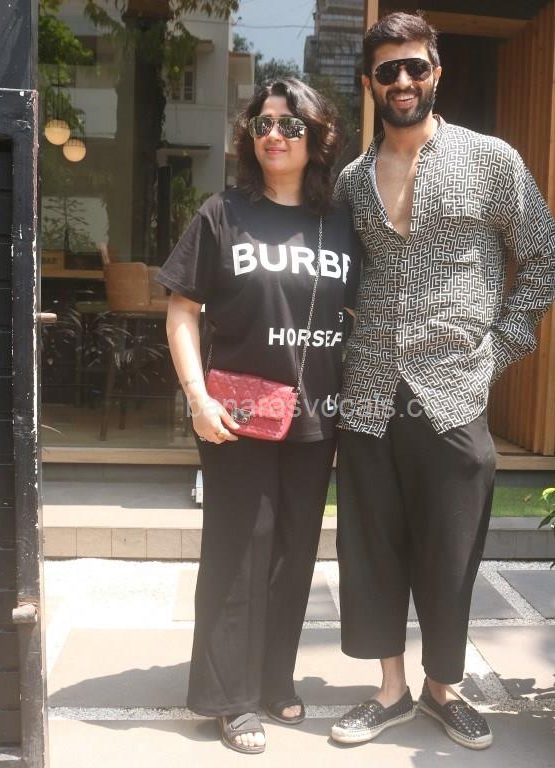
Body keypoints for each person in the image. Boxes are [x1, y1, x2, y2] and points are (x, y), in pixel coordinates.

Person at [330, 12, 555, 751]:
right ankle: (390, 691)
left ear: (436, 72)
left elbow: (543, 256)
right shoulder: (351, 180)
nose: (402, 80)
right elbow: (337, 276)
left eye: (415, 67)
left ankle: (442, 688)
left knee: (450, 552)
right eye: (387, 70)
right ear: (371, 83)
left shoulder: (490, 160)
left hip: (453, 391)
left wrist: (495, 352)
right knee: (371, 550)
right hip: (369, 392)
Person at [156, 79, 360, 755]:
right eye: (263, 123)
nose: (274, 134)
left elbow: (362, 311)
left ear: (317, 138)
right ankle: (229, 697)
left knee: (293, 554)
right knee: (238, 551)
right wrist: (197, 398)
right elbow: (181, 311)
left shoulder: (340, 223)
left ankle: (273, 678)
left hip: (316, 413)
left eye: (291, 125)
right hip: (237, 413)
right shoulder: (223, 213)